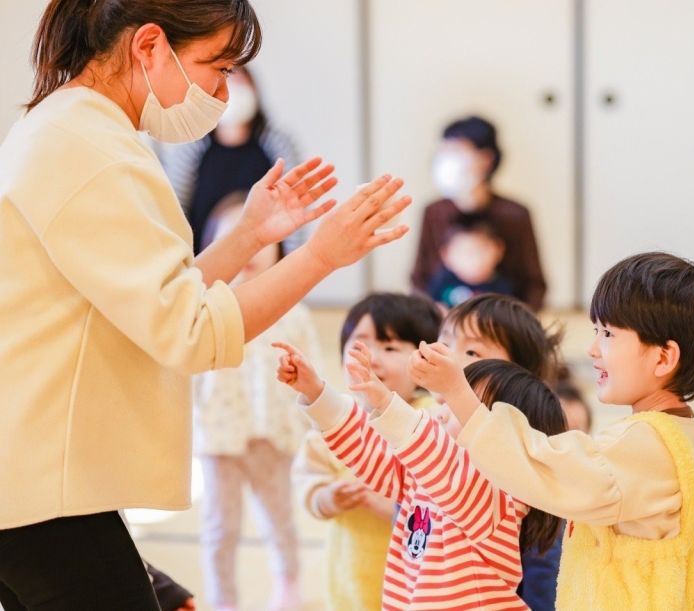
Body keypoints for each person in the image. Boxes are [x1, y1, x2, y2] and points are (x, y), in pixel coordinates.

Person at [0, 2, 410, 608]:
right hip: (39, 479)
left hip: (32, 471)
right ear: (149, 47)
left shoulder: (77, 128)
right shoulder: (89, 147)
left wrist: (248, 236)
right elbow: (189, 331)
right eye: (217, 67)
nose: (222, 92)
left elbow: (156, 297)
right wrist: (322, 255)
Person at [410, 252, 694, 611]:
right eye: (595, 332)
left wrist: (459, 394)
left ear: (663, 358)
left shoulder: (644, 445)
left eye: (608, 334)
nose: (592, 350)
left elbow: (541, 467)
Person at [275, 341, 566, 610]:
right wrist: (317, 393)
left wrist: (385, 401)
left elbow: (440, 461)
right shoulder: (422, 482)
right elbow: (368, 449)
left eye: (458, 406)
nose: (440, 413)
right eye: (444, 402)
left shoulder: (498, 499)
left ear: (501, 441)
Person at [192, 198, 321, 611]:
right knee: (220, 527)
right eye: (234, 238)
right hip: (218, 435)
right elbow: (186, 373)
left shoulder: (292, 308)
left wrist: (313, 424)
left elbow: (311, 370)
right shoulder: (203, 306)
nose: (251, 251)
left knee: (279, 517)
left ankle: (287, 585)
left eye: (262, 241)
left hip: (273, 433)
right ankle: (223, 600)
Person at [289, 293, 442, 611]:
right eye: (359, 346)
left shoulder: (433, 420)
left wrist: (389, 506)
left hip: (420, 580)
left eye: (390, 348)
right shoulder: (332, 419)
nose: (371, 358)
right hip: (352, 573)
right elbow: (309, 478)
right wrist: (326, 498)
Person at [434, 294, 564, 610]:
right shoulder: (426, 428)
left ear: (517, 377)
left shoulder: (519, 460)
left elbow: (541, 579)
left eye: (471, 352)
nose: (448, 358)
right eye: (445, 343)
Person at [161, 65, 304, 254]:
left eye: (241, 86)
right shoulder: (191, 145)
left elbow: (293, 208)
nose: (235, 94)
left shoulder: (277, 144)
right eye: (228, 85)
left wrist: (290, 264)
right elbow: (174, 210)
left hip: (265, 261)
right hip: (204, 261)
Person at [411, 116, 548, 310]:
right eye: (444, 152)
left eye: (456, 151)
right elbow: (419, 279)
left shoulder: (515, 214)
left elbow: (534, 285)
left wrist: (515, 321)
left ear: (486, 158)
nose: (446, 160)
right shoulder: (434, 212)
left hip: (503, 319)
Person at [427, 216, 513, 308]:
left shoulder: (502, 288)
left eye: (481, 249)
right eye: (464, 252)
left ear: (499, 250)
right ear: (446, 255)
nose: (473, 258)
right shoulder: (441, 281)